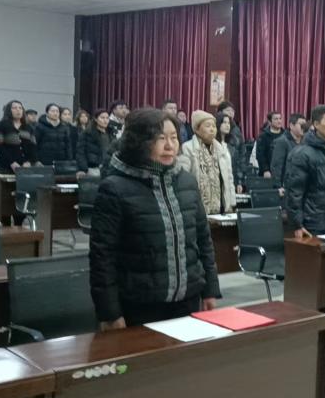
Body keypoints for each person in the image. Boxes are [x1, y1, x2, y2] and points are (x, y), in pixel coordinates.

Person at [89, 108, 220, 332]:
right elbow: (102, 257)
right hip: (140, 306)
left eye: (174, 138)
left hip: (187, 301)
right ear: (138, 142)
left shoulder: (187, 182)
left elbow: (203, 241)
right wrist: (110, 312)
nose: (170, 146)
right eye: (160, 139)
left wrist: (210, 290)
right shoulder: (115, 188)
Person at [284, 105, 325, 329]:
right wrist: (297, 223)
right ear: (315, 124)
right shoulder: (302, 153)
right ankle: (306, 319)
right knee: (309, 276)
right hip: (310, 224)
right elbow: (294, 193)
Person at [179, 110, 236, 215]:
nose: (212, 129)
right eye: (208, 126)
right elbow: (183, 181)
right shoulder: (188, 148)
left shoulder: (222, 150)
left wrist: (231, 204)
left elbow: (229, 179)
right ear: (197, 129)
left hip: (221, 208)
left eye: (214, 126)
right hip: (197, 209)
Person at [0, 99, 37, 172]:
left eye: (20, 108)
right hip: (6, 166)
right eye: (15, 108)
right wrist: (11, 162)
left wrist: (29, 161)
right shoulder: (1, 125)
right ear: (9, 110)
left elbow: (33, 147)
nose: (18, 110)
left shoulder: (29, 127)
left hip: (26, 166)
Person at [271, 113, 306, 188]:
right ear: (291, 126)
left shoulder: (306, 142)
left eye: (305, 125)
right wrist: (277, 186)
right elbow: (277, 166)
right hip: (287, 186)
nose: (304, 128)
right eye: (301, 125)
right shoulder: (282, 141)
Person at [76, 109, 112, 177]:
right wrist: (83, 169)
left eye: (107, 118)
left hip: (108, 168)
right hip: (93, 168)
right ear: (96, 119)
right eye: (102, 118)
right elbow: (80, 153)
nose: (105, 120)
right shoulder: (87, 133)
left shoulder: (110, 133)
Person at [218, 114, 244, 193]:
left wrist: (239, 182)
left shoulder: (234, 143)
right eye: (224, 122)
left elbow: (238, 163)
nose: (227, 125)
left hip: (231, 182)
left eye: (228, 123)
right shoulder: (213, 144)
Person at [256, 111, 285, 177]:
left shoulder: (285, 135)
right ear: (269, 122)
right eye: (276, 119)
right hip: (269, 172)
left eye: (280, 118)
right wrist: (265, 170)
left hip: (283, 171)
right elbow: (260, 155)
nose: (279, 121)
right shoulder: (263, 136)